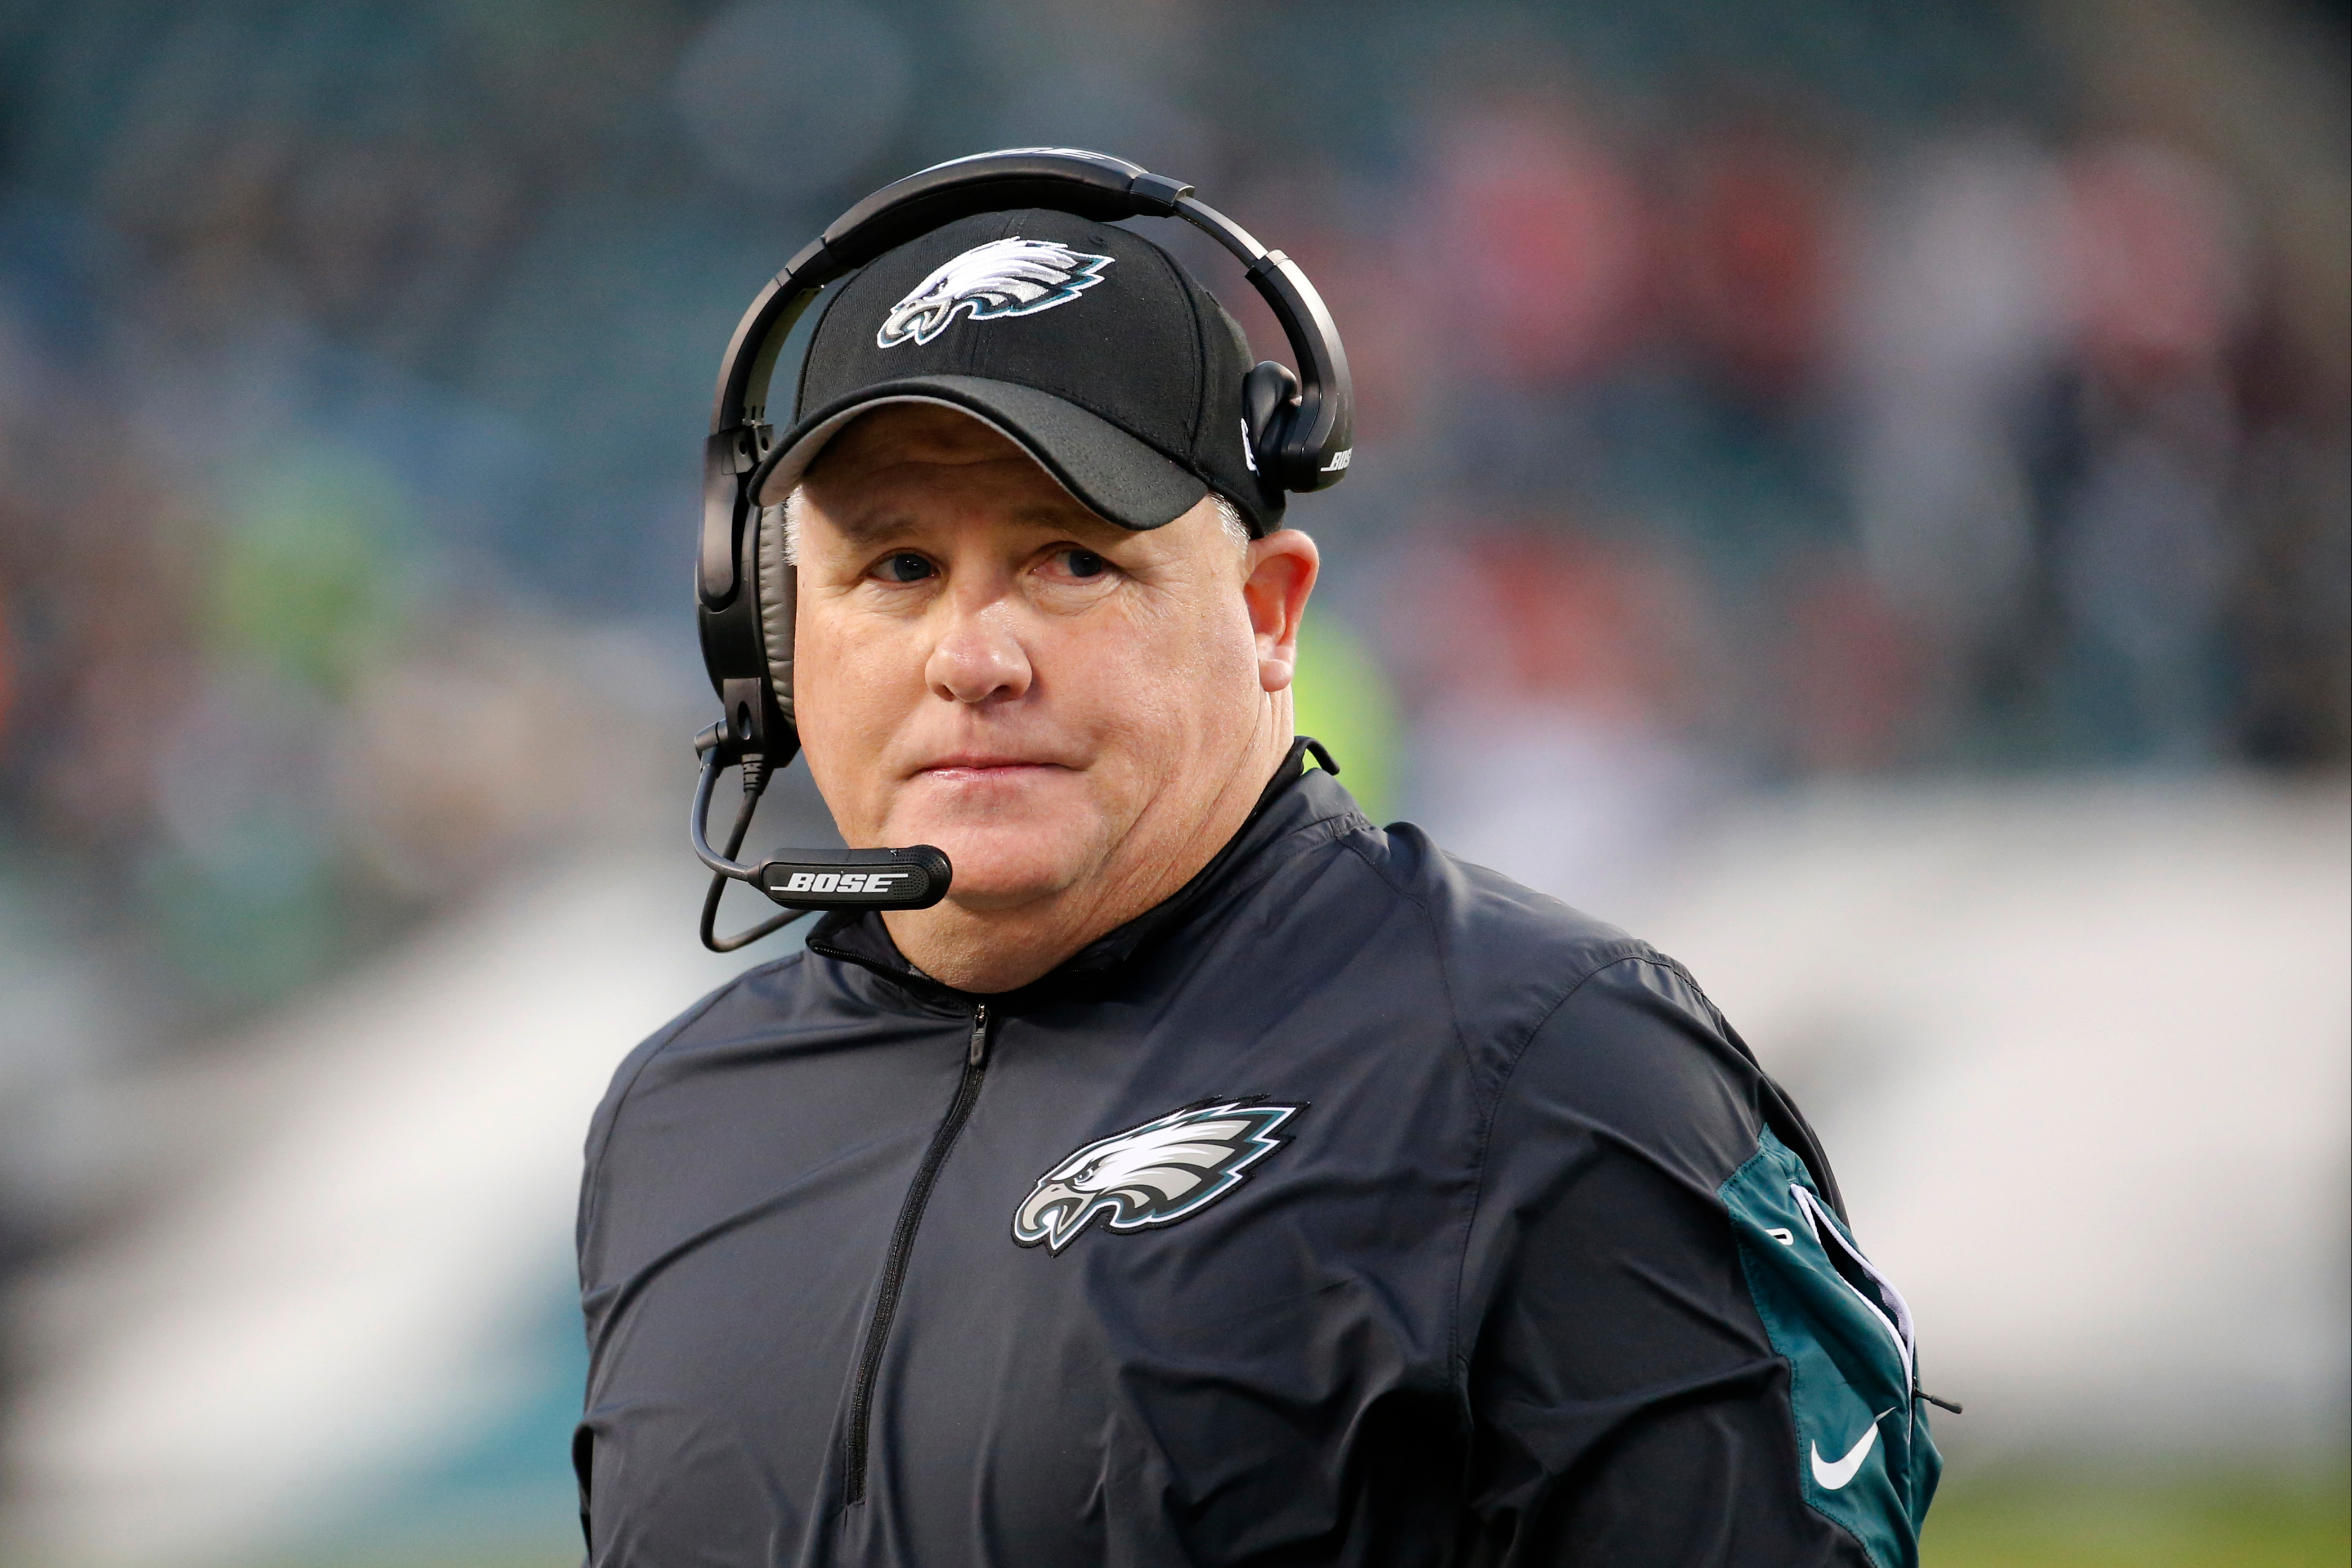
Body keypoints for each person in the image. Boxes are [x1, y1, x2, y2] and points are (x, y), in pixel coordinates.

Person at [575, 200, 1941, 1565]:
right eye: (899, 567)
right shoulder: (674, 1122)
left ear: (1266, 614)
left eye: (1070, 560)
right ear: (769, 638)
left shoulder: (1551, 1073)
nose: (972, 656)